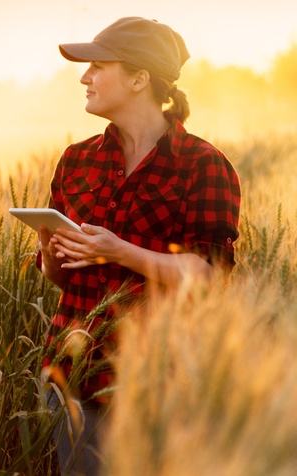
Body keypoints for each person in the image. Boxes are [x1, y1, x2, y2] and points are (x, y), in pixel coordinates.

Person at [36, 17, 241, 476]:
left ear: (138, 78)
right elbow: (60, 278)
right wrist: (51, 249)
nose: (84, 77)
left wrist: (118, 250)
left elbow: (210, 276)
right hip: (74, 378)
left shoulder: (202, 165)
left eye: (97, 66)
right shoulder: (77, 160)